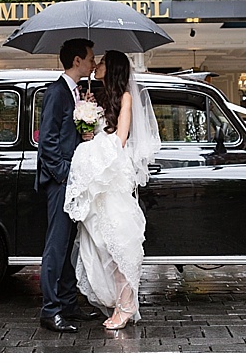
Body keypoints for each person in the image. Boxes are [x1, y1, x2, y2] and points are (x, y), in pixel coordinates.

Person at [64, 50, 161, 330]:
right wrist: (87, 124)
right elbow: (95, 132)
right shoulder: (96, 96)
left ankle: (126, 306)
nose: (98, 65)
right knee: (100, 244)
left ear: (114, 67)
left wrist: (89, 150)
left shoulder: (126, 98)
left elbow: (120, 138)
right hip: (97, 178)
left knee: (119, 243)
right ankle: (116, 300)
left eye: (103, 62)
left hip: (112, 177)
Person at [35, 38, 102, 333]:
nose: (93, 62)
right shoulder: (56, 92)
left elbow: (66, 134)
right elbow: (47, 140)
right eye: (90, 58)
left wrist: (85, 122)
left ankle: (67, 303)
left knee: (66, 247)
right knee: (55, 246)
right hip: (61, 180)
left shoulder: (76, 93)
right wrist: (64, 174)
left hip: (74, 179)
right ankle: (50, 311)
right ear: (77, 61)